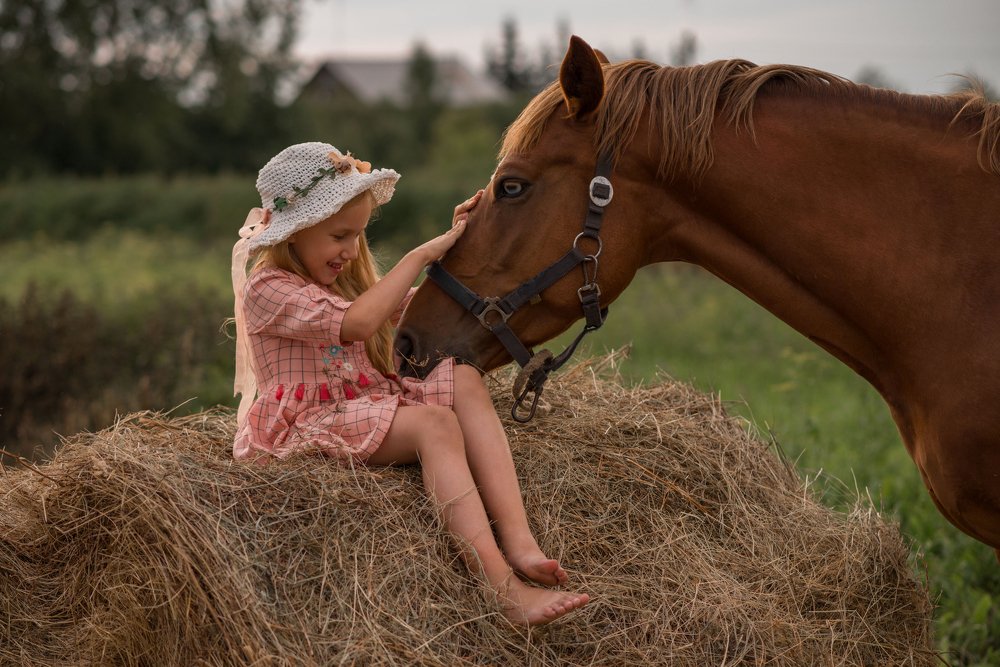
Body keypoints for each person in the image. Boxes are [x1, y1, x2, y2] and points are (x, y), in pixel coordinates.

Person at [230, 142, 590, 626]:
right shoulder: (268, 287)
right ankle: (502, 590)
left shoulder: (343, 281)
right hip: (310, 424)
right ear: (294, 234)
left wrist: (461, 240)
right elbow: (359, 323)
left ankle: (521, 542)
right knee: (435, 426)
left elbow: (419, 309)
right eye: (340, 235)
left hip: (363, 404)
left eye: (358, 235)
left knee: (462, 376)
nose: (351, 251)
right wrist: (420, 254)